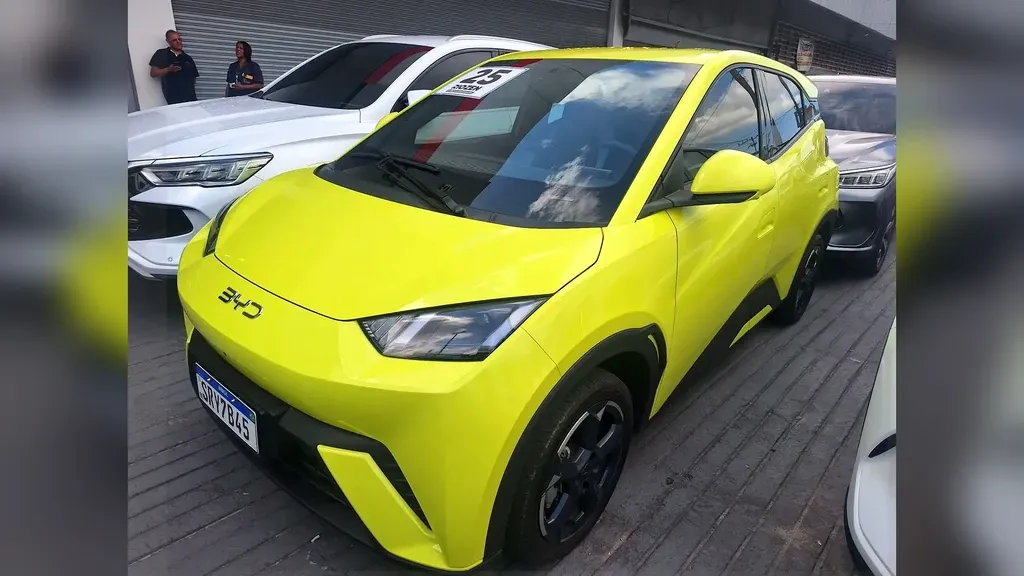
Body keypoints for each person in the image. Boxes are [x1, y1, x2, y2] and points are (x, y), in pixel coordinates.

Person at [149, 30, 199, 105]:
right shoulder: (162, 54)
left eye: (179, 39)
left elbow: (194, 78)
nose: (178, 42)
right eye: (174, 40)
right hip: (173, 99)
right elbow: (153, 73)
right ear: (168, 41)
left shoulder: (188, 58)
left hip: (191, 98)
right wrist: (169, 69)